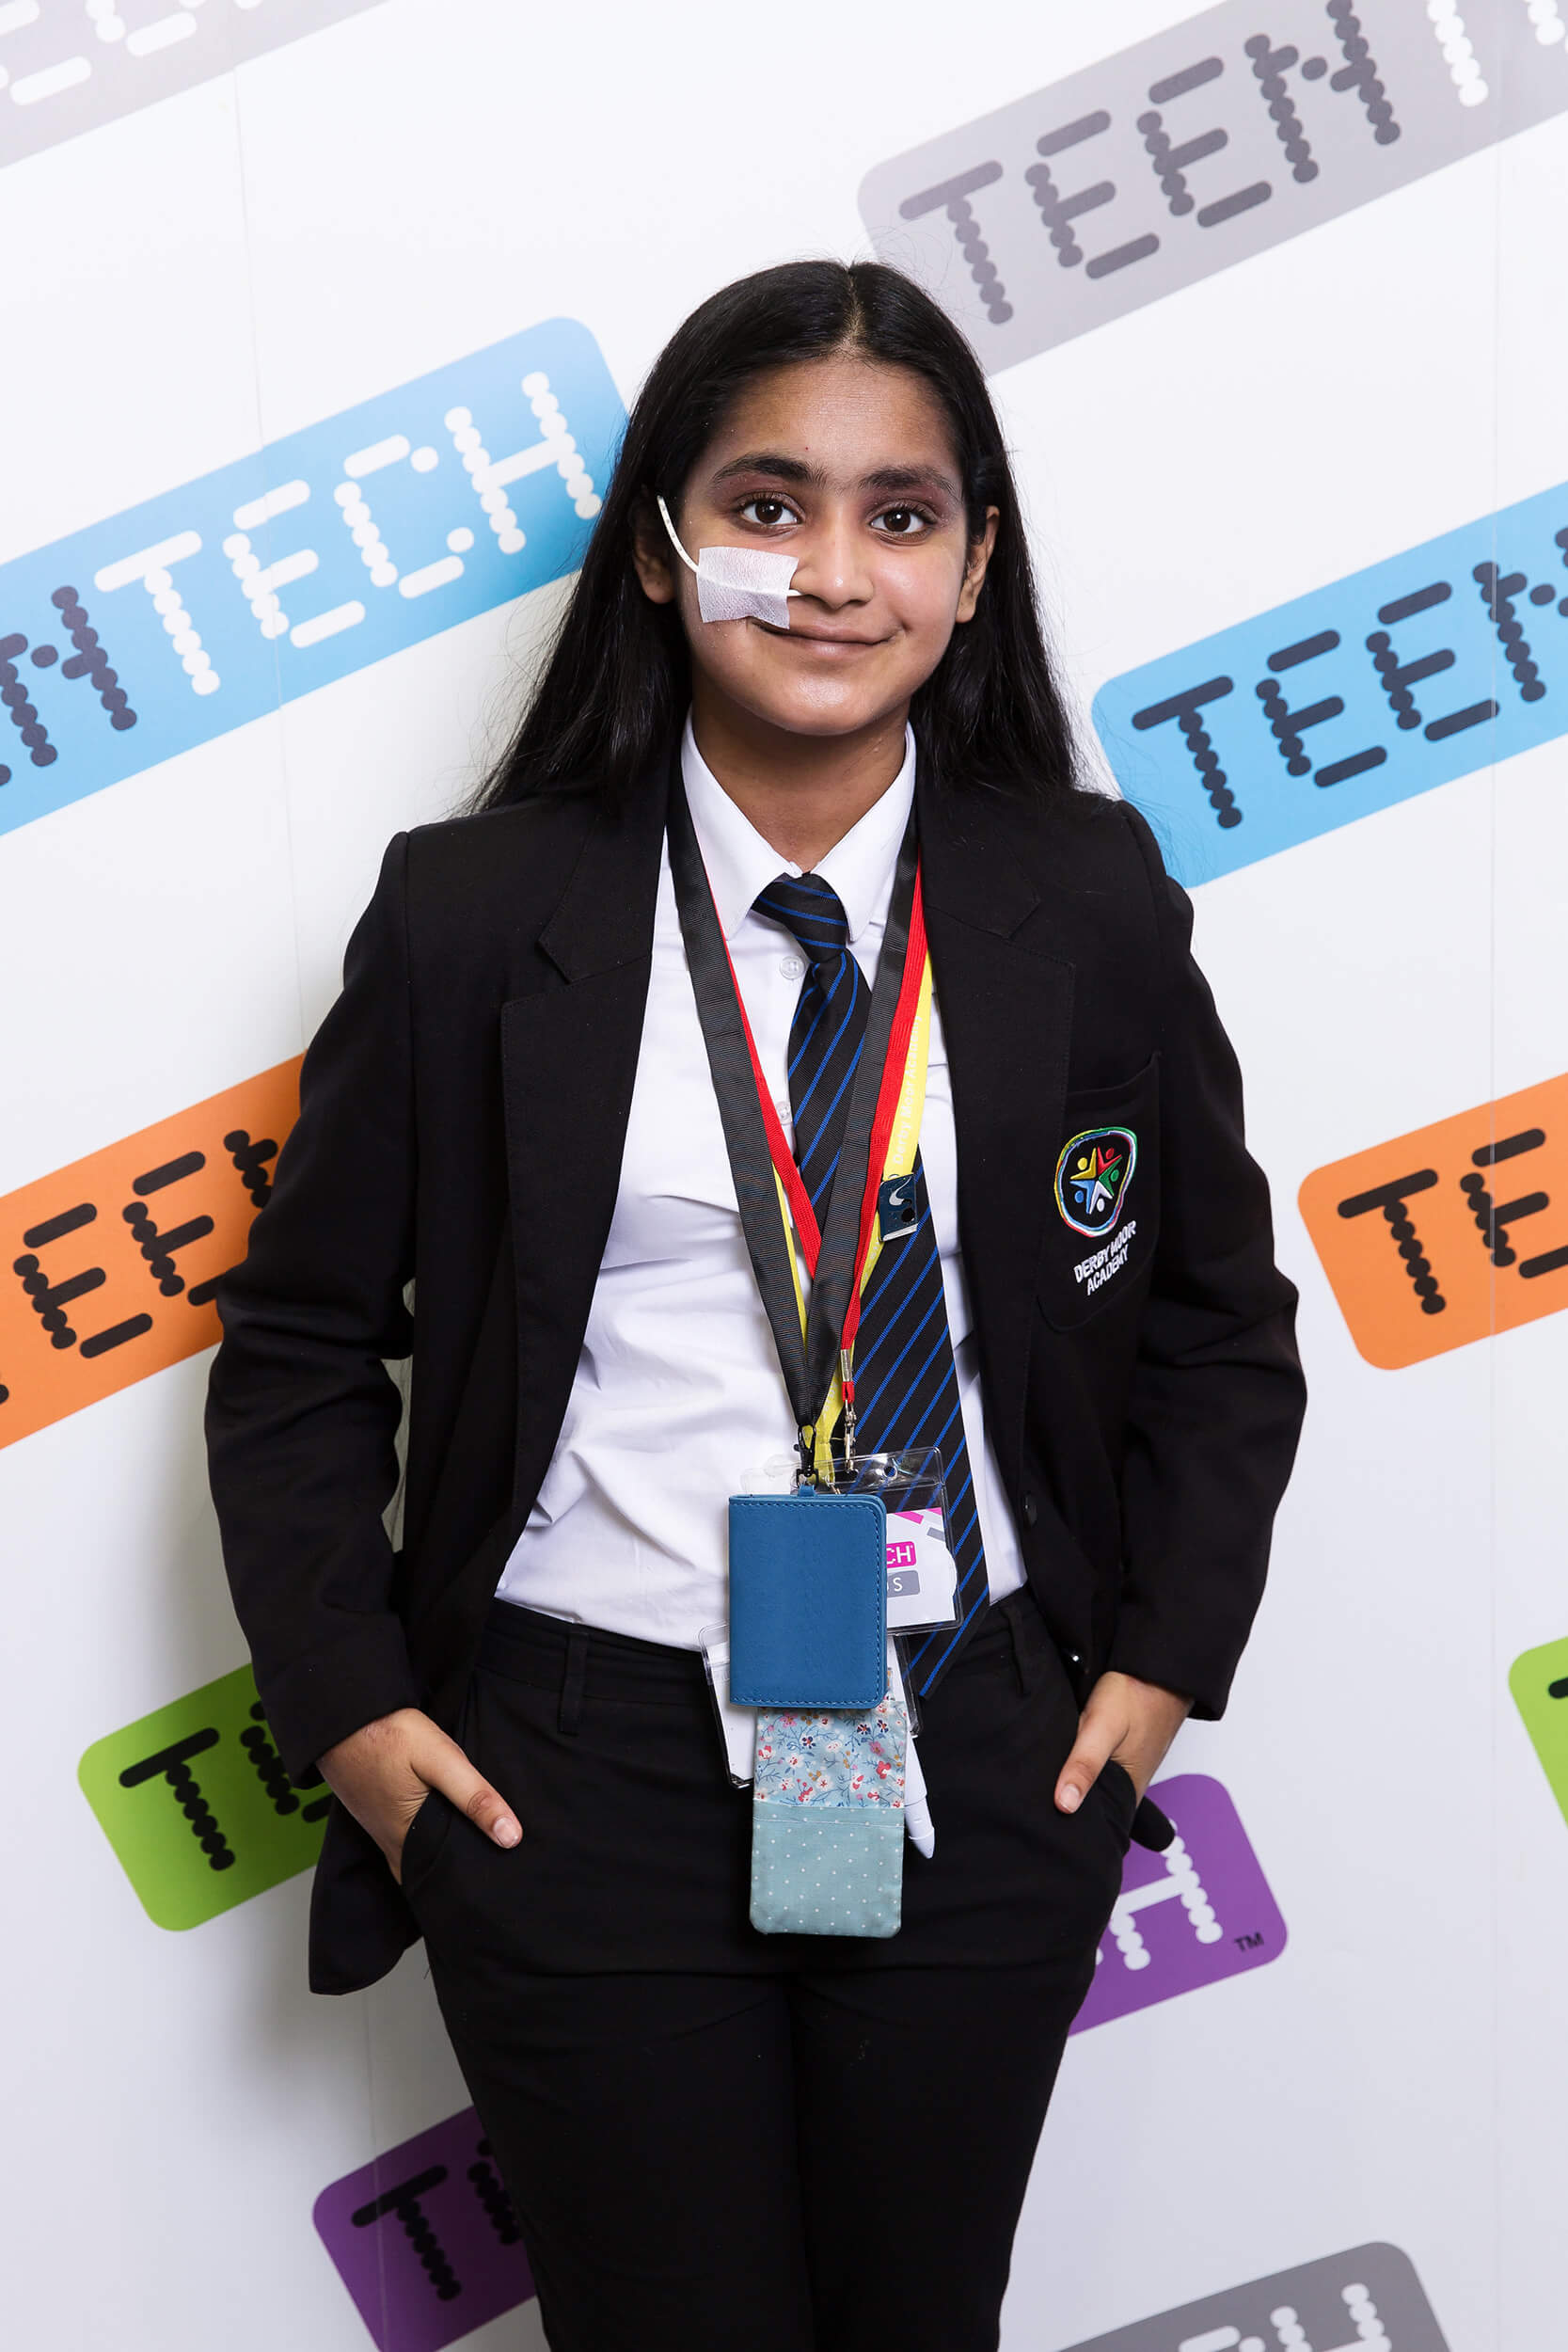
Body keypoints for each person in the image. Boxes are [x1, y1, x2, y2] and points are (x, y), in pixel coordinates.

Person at [205, 259, 1306, 2352]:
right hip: (579, 1762)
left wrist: (1156, 1663)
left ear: (977, 569)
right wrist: (355, 1716)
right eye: (767, 503)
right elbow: (299, 1347)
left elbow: (1216, 1319)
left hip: (978, 1743)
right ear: (660, 548)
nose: (831, 572)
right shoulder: (472, 914)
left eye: (902, 515)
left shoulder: (1085, 893)